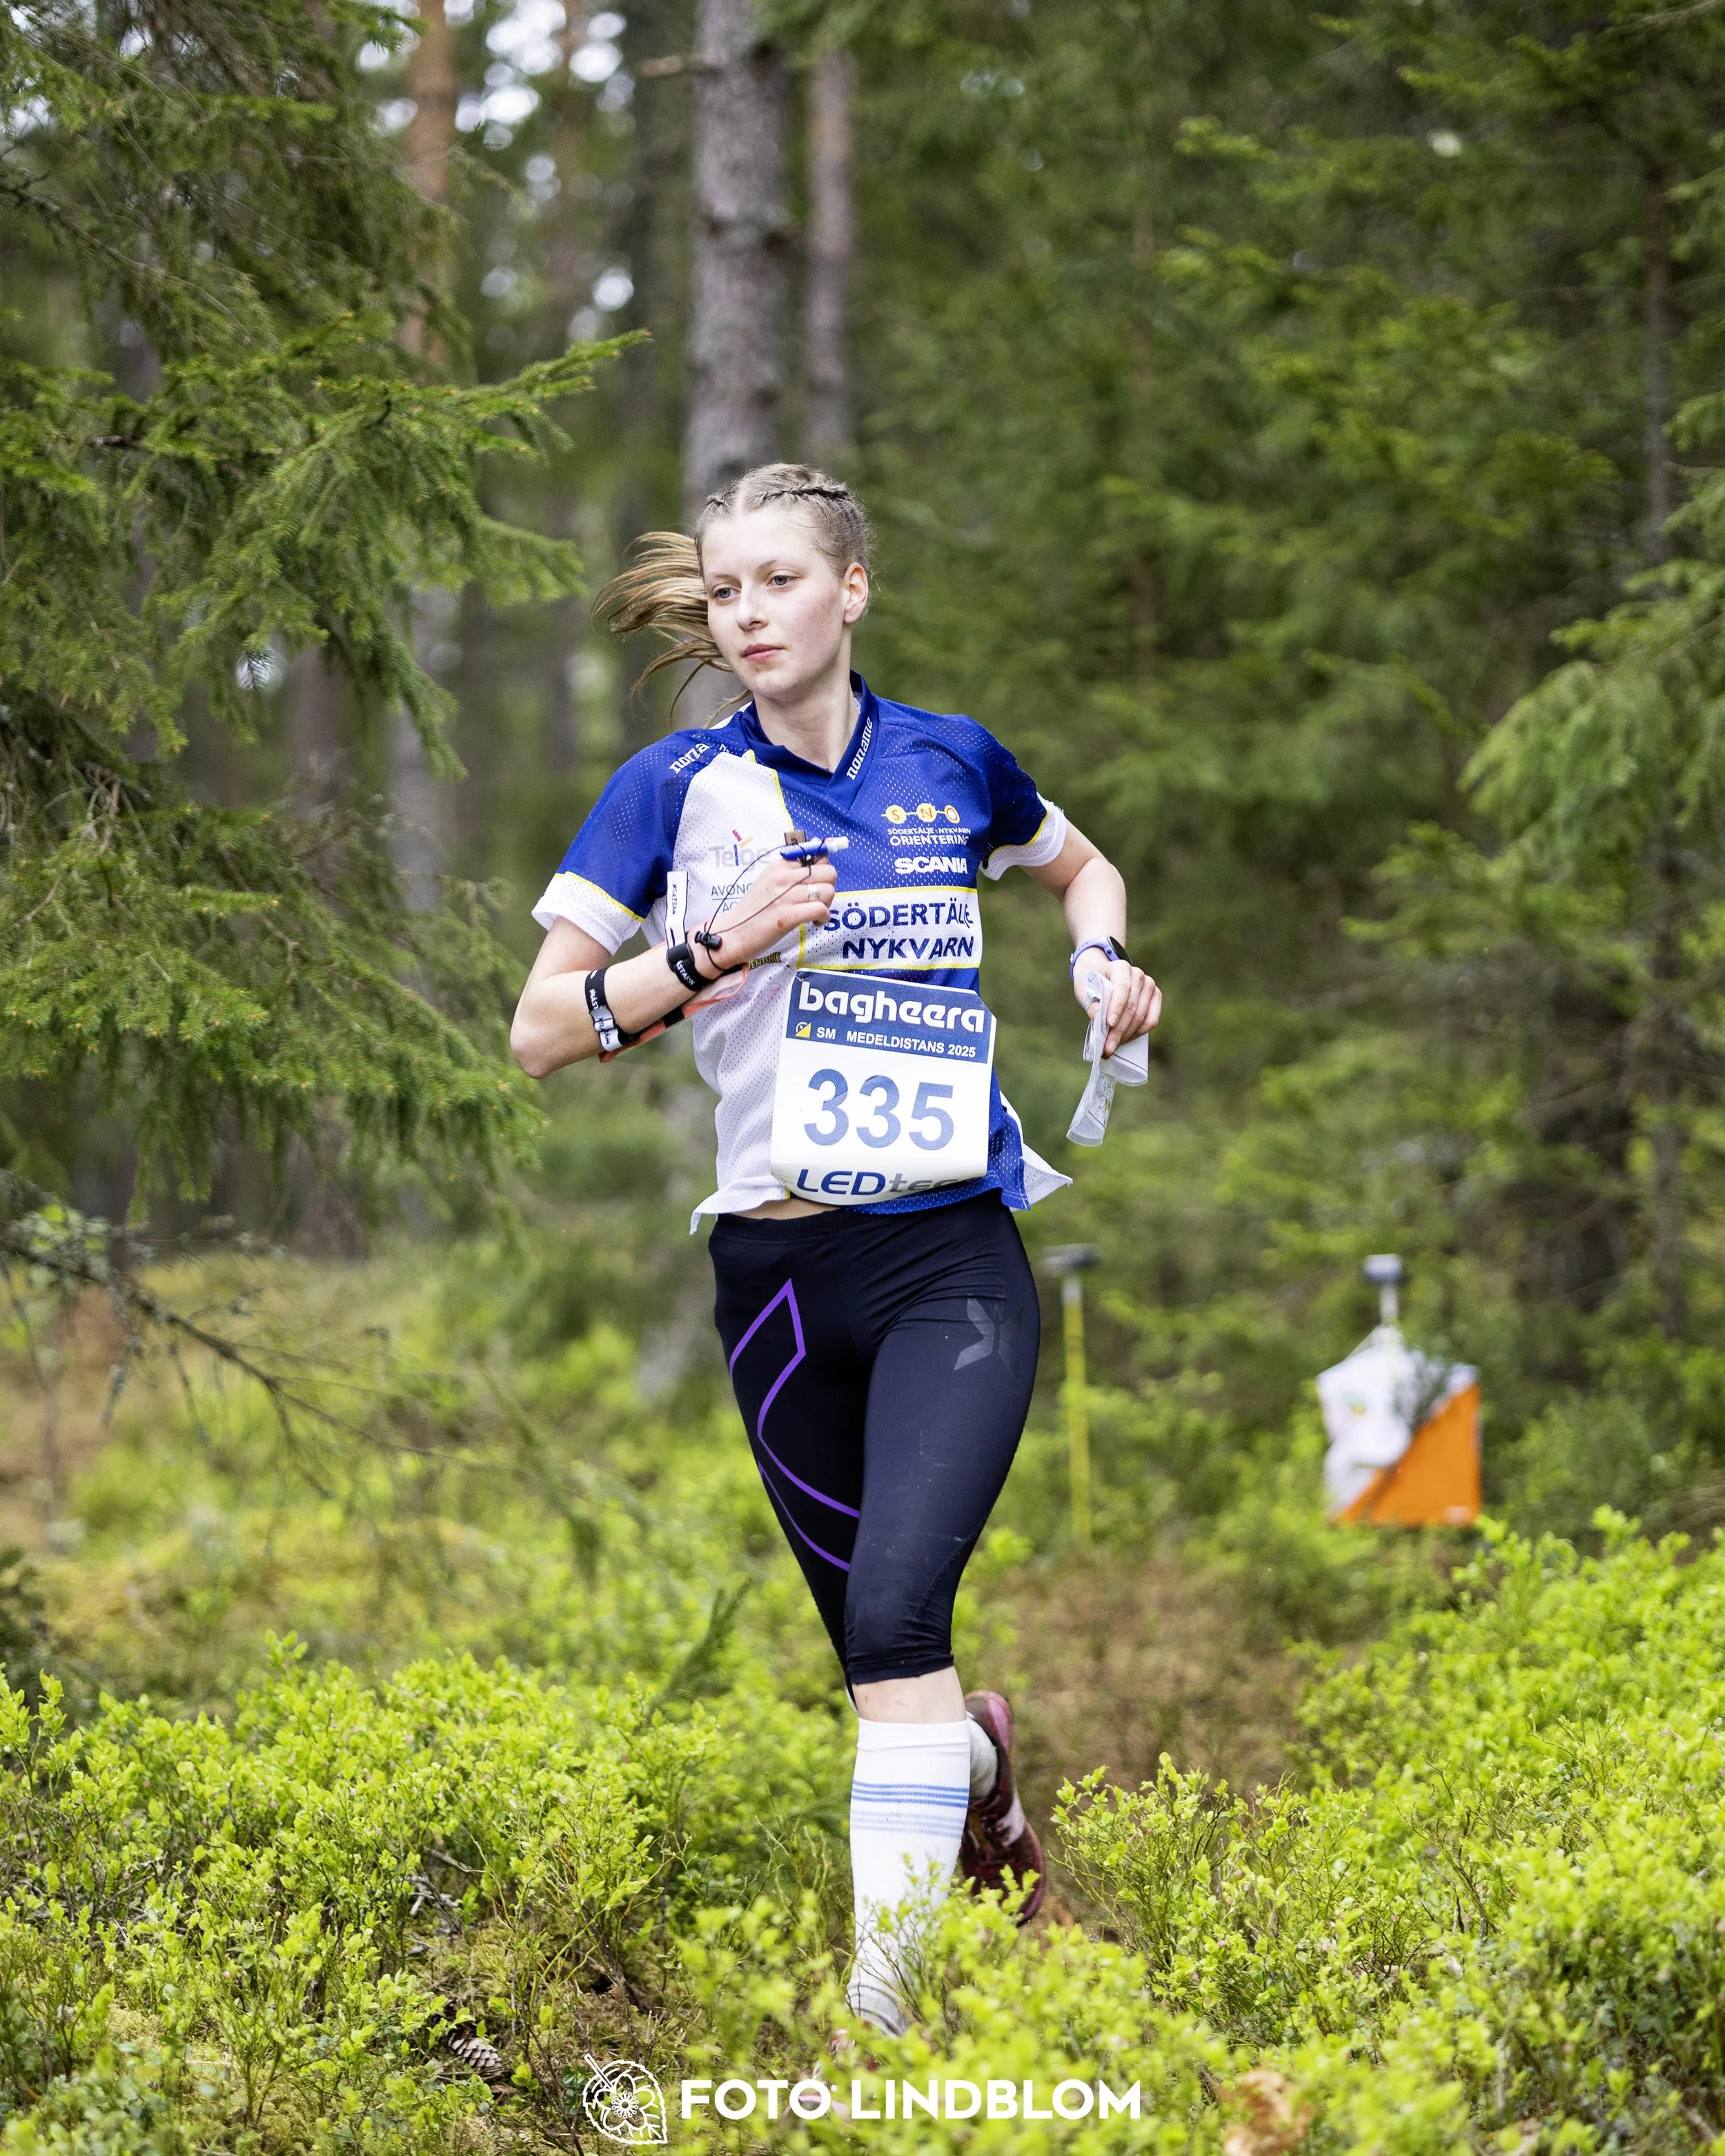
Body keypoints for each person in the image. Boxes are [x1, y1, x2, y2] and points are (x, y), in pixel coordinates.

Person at [511, 463, 1161, 2033]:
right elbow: (540, 1030)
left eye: (780, 582)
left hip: (949, 1256)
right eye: (726, 590)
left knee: (892, 1625)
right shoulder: (673, 787)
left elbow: (1081, 864)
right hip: (779, 1285)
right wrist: (704, 951)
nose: (747, 614)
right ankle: (988, 1778)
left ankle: (882, 2023)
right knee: (891, 1674)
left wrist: (1102, 959)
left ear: (850, 589)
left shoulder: (953, 759)